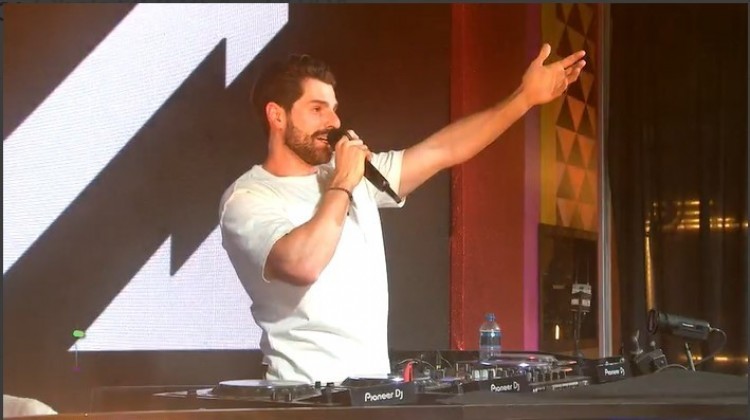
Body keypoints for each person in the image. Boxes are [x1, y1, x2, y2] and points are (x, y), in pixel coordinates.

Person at [219, 44, 586, 384]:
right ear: (277, 116)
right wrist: (344, 182)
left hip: (372, 391)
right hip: (305, 397)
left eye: (334, 108)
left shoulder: (351, 176)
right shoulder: (249, 198)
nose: (333, 121)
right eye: (317, 109)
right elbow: (303, 264)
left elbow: (442, 151)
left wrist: (524, 99)